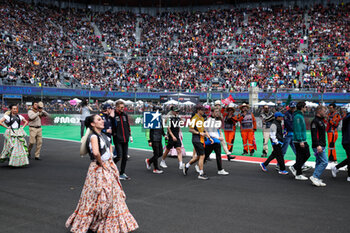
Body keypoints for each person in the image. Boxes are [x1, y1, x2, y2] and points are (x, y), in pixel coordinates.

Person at [65, 114, 138, 233]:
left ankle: (100, 222)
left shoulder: (103, 136)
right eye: (99, 119)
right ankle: (99, 222)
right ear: (92, 124)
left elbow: (108, 150)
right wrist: (103, 163)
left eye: (101, 119)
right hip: (99, 168)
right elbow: (96, 153)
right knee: (102, 195)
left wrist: (109, 164)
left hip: (105, 166)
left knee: (106, 195)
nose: (102, 121)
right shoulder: (94, 136)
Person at [183, 105, 213, 180]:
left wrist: (209, 137)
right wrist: (199, 133)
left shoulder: (202, 118)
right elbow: (190, 129)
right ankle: (201, 173)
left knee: (199, 157)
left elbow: (204, 129)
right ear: (198, 110)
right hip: (196, 139)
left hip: (201, 139)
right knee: (202, 155)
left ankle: (186, 166)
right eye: (202, 110)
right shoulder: (194, 118)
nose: (204, 111)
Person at [111, 100, 132, 180]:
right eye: (121, 107)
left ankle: (122, 173)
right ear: (117, 107)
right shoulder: (113, 116)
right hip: (117, 139)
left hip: (125, 139)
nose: (123, 109)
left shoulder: (125, 115)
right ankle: (110, 165)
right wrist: (114, 134)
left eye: (123, 107)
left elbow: (127, 125)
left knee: (125, 157)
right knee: (119, 156)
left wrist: (129, 135)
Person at [289, 101, 311, 181]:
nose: (306, 108)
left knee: (302, 155)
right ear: (302, 107)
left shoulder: (299, 115)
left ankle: (296, 168)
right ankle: (298, 172)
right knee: (303, 155)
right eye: (305, 107)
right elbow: (297, 129)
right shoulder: (298, 116)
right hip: (299, 140)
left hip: (300, 139)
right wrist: (301, 140)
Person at [204, 108, 229, 175]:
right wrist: (218, 137)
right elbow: (210, 132)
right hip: (210, 140)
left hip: (216, 141)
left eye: (218, 112)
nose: (217, 113)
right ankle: (197, 165)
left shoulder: (216, 120)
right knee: (205, 155)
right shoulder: (209, 120)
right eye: (216, 112)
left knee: (218, 155)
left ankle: (220, 169)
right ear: (212, 112)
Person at [310, 106, 327, 187]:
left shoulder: (320, 120)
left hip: (321, 145)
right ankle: (315, 176)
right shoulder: (315, 121)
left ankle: (316, 178)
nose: (325, 112)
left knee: (319, 162)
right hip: (318, 146)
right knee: (324, 162)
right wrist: (318, 146)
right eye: (324, 111)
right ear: (319, 111)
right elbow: (314, 135)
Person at [331, 106, 350, 182]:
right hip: (347, 141)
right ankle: (349, 175)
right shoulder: (347, 118)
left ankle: (336, 168)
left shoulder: (346, 119)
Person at [145, 106, 165, 174]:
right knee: (156, 154)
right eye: (158, 110)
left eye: (160, 111)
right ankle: (155, 168)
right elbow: (147, 130)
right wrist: (149, 140)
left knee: (160, 153)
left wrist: (164, 135)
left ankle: (149, 161)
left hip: (159, 138)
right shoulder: (150, 118)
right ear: (154, 110)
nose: (159, 112)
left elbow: (161, 128)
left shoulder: (160, 118)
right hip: (153, 138)